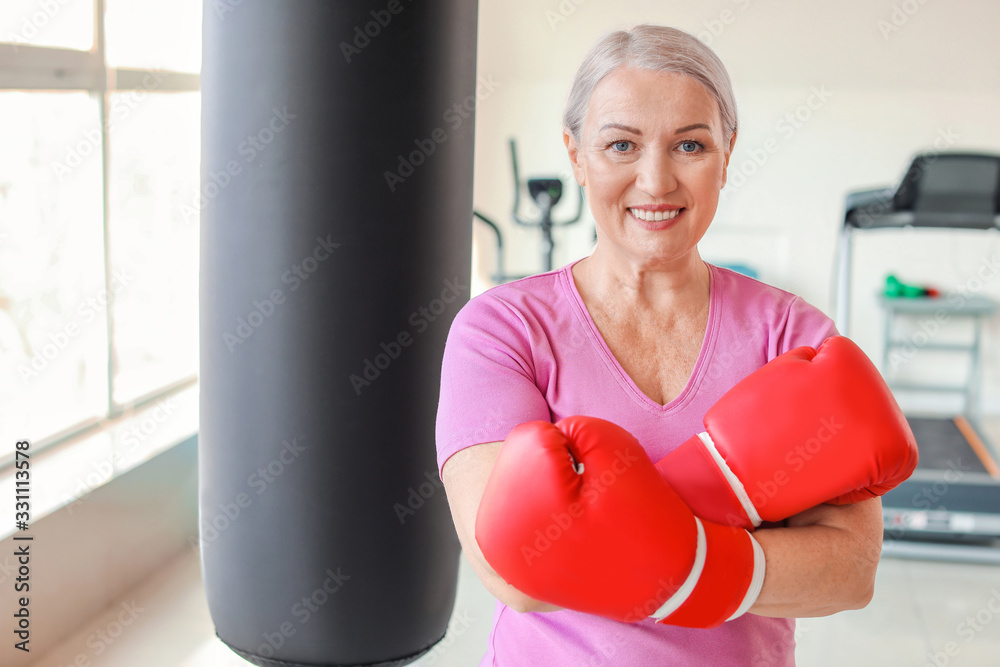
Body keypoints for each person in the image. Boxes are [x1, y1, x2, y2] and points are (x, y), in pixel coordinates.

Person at [435, 24, 882, 666]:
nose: (656, 180)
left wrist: (644, 551)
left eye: (690, 145)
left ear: (727, 155)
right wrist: (738, 555)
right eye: (621, 144)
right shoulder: (501, 331)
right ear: (576, 155)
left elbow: (849, 570)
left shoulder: (794, 337)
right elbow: (514, 571)